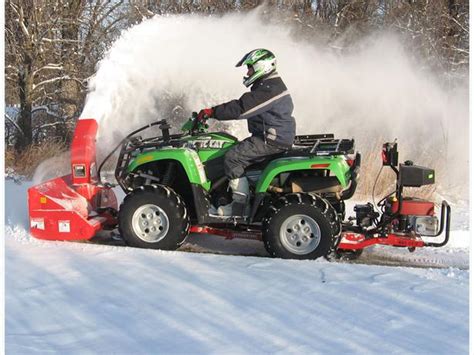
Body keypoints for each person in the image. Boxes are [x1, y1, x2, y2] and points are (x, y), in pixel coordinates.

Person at [197, 48, 296, 217]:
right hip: (272, 136)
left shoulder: (269, 88)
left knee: (233, 157)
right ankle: (223, 197)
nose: (248, 71)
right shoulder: (269, 85)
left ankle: (239, 206)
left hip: (271, 139)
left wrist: (211, 112)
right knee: (229, 153)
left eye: (250, 67)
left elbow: (242, 108)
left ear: (261, 66)